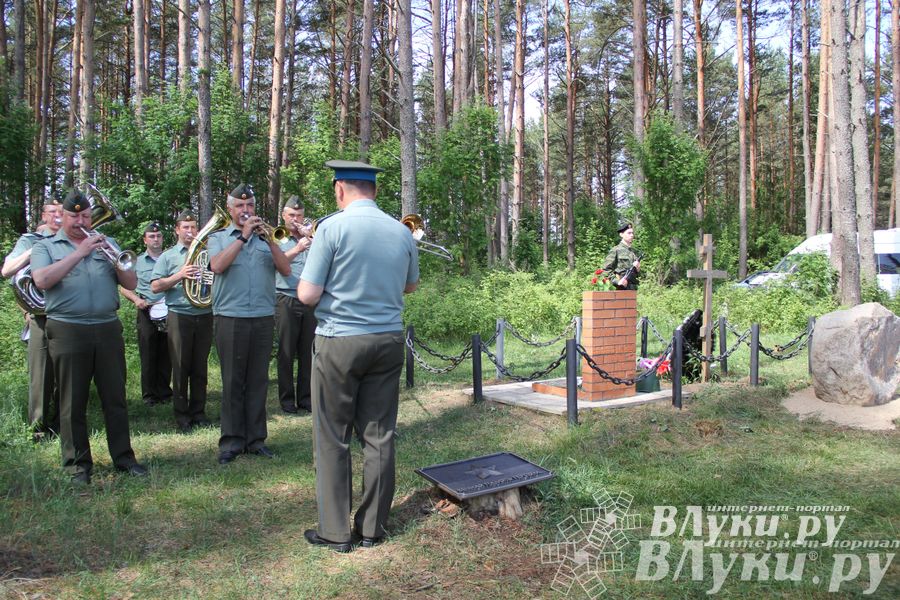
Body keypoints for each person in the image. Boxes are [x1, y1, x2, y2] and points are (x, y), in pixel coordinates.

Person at [297, 160, 419, 553]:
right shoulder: (401, 232)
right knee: (379, 434)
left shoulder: (331, 228)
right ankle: (372, 529)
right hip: (386, 339)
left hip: (339, 341)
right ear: (375, 191)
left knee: (333, 434)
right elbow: (411, 286)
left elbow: (307, 295)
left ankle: (335, 531)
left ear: (339, 189)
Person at [30, 189, 148, 485]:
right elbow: (42, 280)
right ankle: (77, 465)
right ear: (62, 217)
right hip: (68, 328)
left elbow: (131, 281)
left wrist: (114, 261)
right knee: (72, 401)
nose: (81, 221)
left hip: (107, 327)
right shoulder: (47, 246)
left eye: (85, 215)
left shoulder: (106, 243)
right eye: (74, 216)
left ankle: (124, 458)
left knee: (115, 397)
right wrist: (79, 253)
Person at [208, 184, 291, 465]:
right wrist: (242, 238)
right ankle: (231, 443)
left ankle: (256, 440)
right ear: (230, 209)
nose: (246, 211)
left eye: (250, 206)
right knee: (233, 381)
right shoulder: (218, 237)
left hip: (262, 317)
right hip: (230, 317)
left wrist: (269, 240)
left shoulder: (267, 239)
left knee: (258, 381)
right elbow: (218, 266)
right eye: (240, 207)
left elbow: (286, 269)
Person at [1, 199, 63, 440]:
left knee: (65, 375)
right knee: (41, 375)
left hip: (67, 314)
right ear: (44, 216)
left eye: (61, 212)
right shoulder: (29, 240)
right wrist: (36, 250)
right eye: (53, 212)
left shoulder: (71, 241)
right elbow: (7, 271)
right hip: (40, 317)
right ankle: (37, 429)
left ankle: (61, 425)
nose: (58, 217)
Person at [150, 211, 213, 433]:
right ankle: (181, 415)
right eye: (185, 228)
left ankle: (199, 412)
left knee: (200, 366)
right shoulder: (168, 256)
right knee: (180, 365)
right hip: (179, 315)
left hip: (204, 313)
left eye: (193, 227)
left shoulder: (207, 253)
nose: (190, 232)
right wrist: (180, 275)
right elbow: (155, 286)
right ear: (177, 230)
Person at [120, 222, 173, 407]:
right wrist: (136, 300)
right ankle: (149, 396)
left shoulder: (170, 258)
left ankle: (165, 392)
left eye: (158, 236)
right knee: (148, 353)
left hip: (168, 310)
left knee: (167, 353)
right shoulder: (137, 262)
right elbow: (124, 287)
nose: (156, 239)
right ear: (145, 240)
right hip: (146, 310)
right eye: (152, 236)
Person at [274, 195, 316, 414]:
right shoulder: (276, 237)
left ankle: (306, 398)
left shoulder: (312, 238)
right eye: (291, 215)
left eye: (299, 215)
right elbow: (276, 264)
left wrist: (312, 240)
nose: (295, 219)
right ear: (283, 216)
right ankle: (287, 400)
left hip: (309, 299)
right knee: (286, 351)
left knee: (308, 351)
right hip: (286, 297)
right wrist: (298, 248)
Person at [602, 222, 641, 290]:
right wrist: (617, 281)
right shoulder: (616, 250)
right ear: (621, 234)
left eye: (632, 233)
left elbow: (636, 275)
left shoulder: (634, 252)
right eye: (629, 233)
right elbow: (605, 270)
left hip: (632, 289)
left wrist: (637, 269)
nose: (632, 235)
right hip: (619, 289)